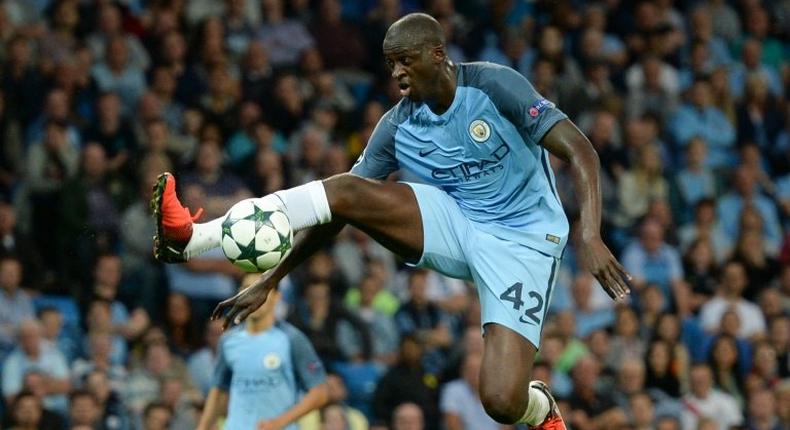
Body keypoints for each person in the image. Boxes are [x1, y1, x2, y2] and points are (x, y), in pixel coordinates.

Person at [153, 13, 631, 429]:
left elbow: (579, 148)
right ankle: (193, 238)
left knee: (501, 401)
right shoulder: (399, 124)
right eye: (390, 64)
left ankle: (540, 406)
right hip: (460, 220)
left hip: (525, 240)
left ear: (437, 53)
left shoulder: (492, 85)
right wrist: (272, 281)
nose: (397, 73)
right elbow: (337, 210)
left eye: (405, 60)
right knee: (345, 187)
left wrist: (590, 233)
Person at [196, 276, 329, 430]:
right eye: (246, 288)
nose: (252, 294)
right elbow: (219, 391)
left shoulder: (292, 338)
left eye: (261, 288)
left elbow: (320, 392)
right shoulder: (228, 341)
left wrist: (279, 422)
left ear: (277, 297)